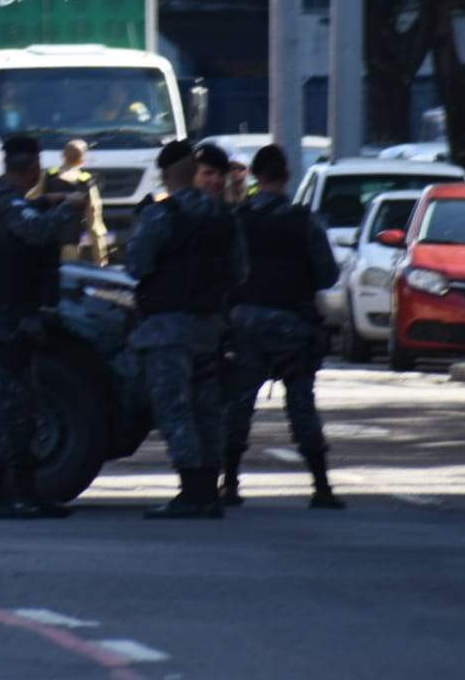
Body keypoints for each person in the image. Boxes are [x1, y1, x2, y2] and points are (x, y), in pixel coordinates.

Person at [124, 139, 245, 519]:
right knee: (207, 409)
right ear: (193, 171)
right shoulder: (223, 215)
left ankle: (191, 490)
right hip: (209, 327)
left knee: (175, 409)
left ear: (164, 175)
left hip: (166, 328)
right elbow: (240, 271)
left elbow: (136, 265)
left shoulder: (161, 216)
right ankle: (208, 488)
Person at [0, 135, 86, 519]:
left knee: (22, 408)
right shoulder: (3, 202)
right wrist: (66, 208)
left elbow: (26, 216)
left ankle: (21, 491)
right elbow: (34, 231)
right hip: (6, 321)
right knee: (8, 409)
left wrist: (46, 202)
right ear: (32, 167)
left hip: (13, 319)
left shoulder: (5, 200)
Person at [223, 143, 344, 510]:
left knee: (239, 404)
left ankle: (228, 483)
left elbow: (225, 272)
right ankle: (321, 486)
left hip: (246, 323)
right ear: (287, 176)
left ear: (257, 177)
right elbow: (327, 275)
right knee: (301, 404)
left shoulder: (239, 220)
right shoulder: (304, 221)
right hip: (293, 324)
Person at [31, 139, 108, 266]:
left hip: (44, 244)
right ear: (83, 159)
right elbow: (95, 227)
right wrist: (101, 262)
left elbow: (30, 201)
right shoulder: (86, 182)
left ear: (62, 156)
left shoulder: (48, 176)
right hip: (69, 243)